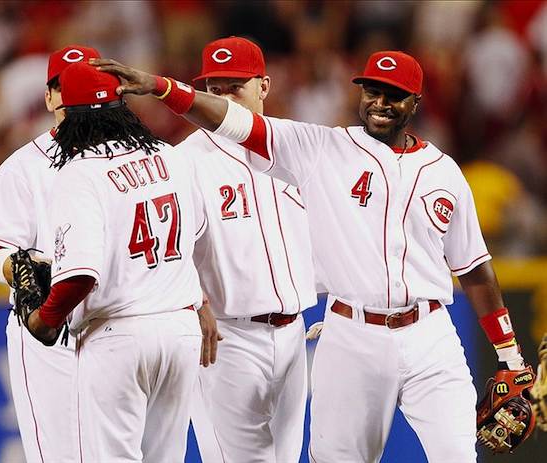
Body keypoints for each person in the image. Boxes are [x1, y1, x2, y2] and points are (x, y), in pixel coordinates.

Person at [92, 50, 533, 462]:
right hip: (351, 335)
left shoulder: (445, 172)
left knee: (458, 455)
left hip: (431, 335)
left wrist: (509, 353)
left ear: (414, 102)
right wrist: (162, 87)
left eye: (393, 95)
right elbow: (239, 124)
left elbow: (474, 268)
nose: (379, 102)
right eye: (371, 90)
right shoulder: (322, 147)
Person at [24, 61, 203, 462]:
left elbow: (79, 277)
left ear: (70, 114)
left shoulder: (81, 172)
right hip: (180, 329)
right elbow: (196, 237)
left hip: (118, 336)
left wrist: (44, 319)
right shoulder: (171, 155)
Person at [181, 37, 317, 463]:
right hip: (226, 337)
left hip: (294, 334)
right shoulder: (184, 162)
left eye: (234, 87)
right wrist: (192, 300)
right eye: (214, 89)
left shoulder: (298, 149)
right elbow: (169, 253)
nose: (223, 98)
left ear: (264, 85)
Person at [0, 44, 100, 463]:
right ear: (48, 97)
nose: (72, 96)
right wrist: (19, 268)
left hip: (117, 326)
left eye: (85, 84)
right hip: (50, 331)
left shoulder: (131, 157)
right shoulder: (23, 167)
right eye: (63, 86)